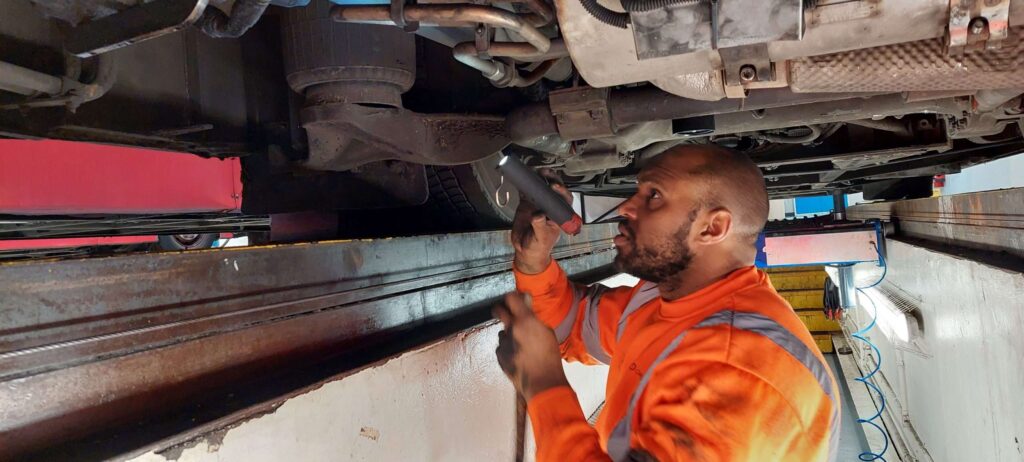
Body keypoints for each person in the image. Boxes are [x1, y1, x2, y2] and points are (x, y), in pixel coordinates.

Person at [492, 145, 839, 461]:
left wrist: (543, 385)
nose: (627, 207)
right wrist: (533, 261)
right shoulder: (671, 300)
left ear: (712, 228)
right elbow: (572, 326)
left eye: (653, 195)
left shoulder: (738, 371)